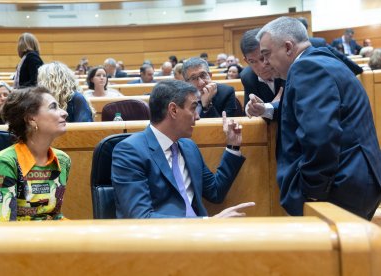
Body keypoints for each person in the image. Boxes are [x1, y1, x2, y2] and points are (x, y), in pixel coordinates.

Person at [257, 16, 381, 220]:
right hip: (356, 180)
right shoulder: (323, 60)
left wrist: (311, 195)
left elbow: (320, 137)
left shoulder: (307, 68)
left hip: (340, 187)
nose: (266, 63)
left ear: (288, 47)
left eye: (267, 54)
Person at [112, 79, 255, 218]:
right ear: (173, 110)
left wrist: (233, 146)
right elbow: (141, 217)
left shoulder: (188, 146)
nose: (198, 116)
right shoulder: (130, 151)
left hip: (200, 236)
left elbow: (215, 192)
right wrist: (205, 224)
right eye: (193, 108)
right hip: (161, 240)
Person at [0, 86, 71, 221]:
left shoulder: (62, 160)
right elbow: (4, 224)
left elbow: (54, 215)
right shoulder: (5, 162)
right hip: (11, 239)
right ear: (31, 119)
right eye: (53, 107)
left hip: (49, 236)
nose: (64, 113)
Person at [240, 28, 284, 120]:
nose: (261, 66)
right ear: (246, 61)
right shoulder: (247, 77)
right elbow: (250, 116)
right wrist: (253, 108)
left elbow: (290, 107)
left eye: (263, 57)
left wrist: (266, 107)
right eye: (252, 61)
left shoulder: (285, 67)